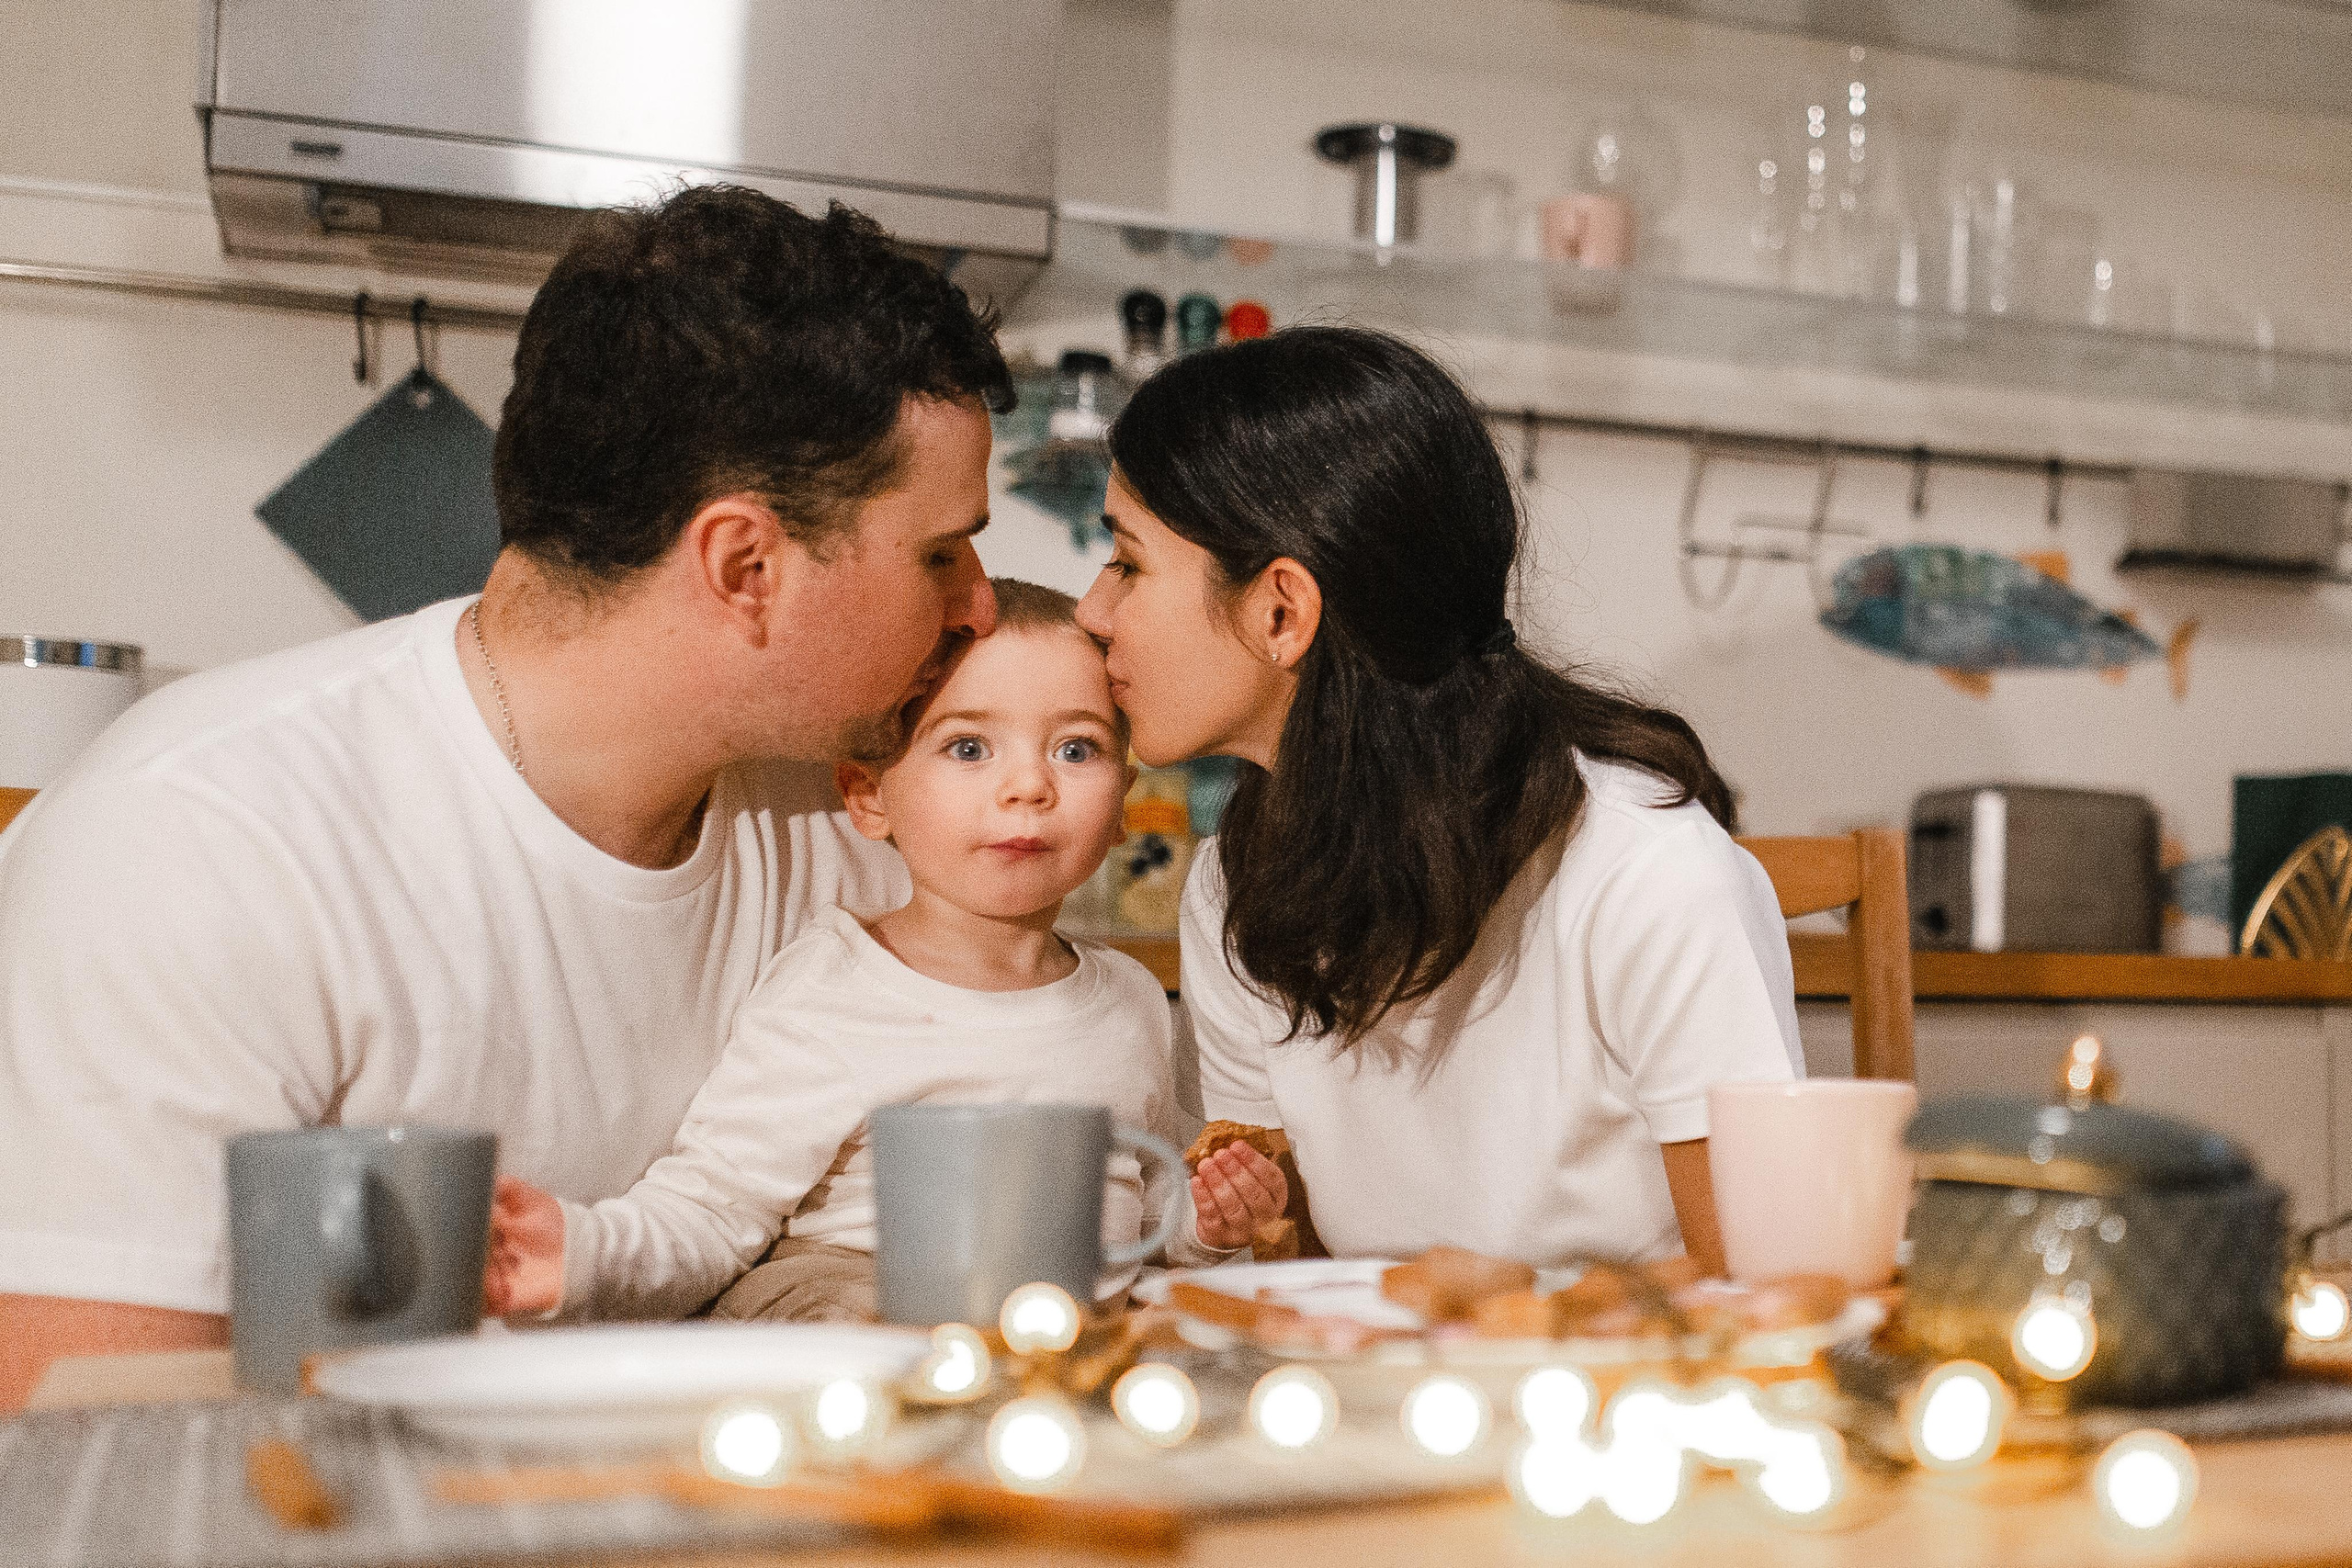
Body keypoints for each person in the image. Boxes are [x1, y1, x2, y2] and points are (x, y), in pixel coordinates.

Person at [0, 186, 1012, 1407]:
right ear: (746, 565)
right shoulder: (195, 841)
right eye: (941, 553)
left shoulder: (871, 829)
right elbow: (96, 1451)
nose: (981, 607)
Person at [1075, 326, 1802, 1278]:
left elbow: (1764, 1285)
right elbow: (1269, 1249)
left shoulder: (1646, 875)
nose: (1092, 609)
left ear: (1280, 612)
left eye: (1127, 562)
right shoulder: (1232, 886)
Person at [482, 581, 1227, 1325]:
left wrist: (1211, 1223)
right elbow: (714, 1202)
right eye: (968, 747)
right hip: (849, 1292)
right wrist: (582, 1253)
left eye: (1076, 748)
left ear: (1124, 803)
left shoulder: (1131, 1000)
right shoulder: (836, 986)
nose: (1029, 784)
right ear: (869, 797)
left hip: (1055, 1334)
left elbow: (1151, 1201)